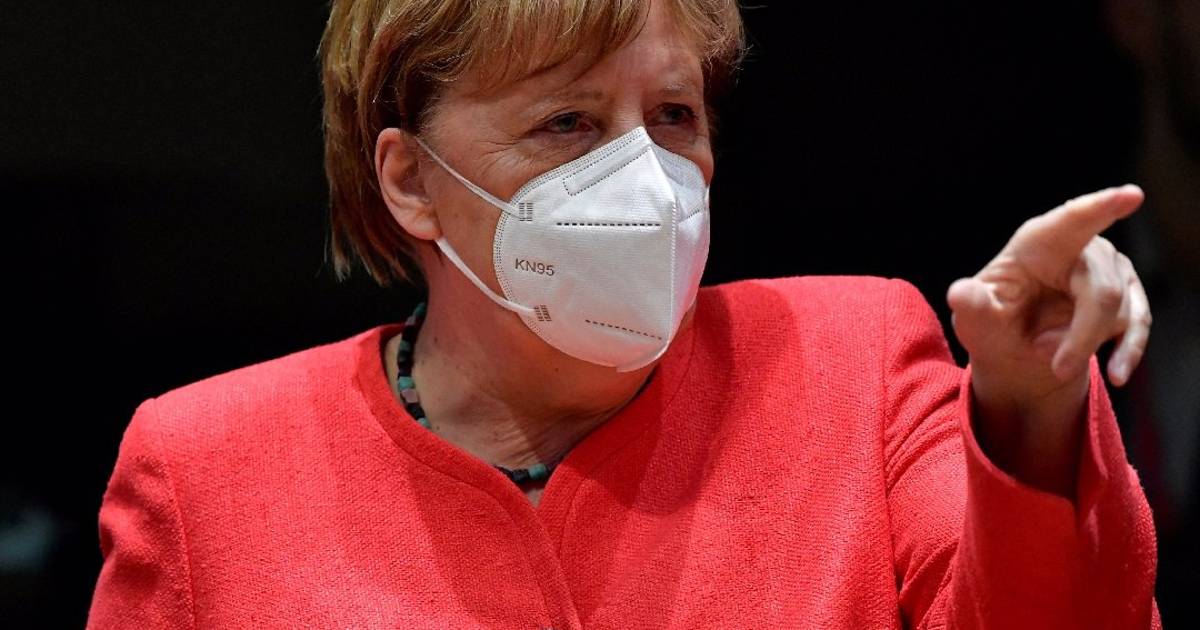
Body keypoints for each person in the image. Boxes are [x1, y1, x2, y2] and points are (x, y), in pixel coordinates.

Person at [87, 1, 1162, 627]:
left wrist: (1030, 410)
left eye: (673, 115)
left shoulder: (856, 360)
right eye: (568, 122)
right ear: (411, 182)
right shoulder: (204, 471)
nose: (645, 179)